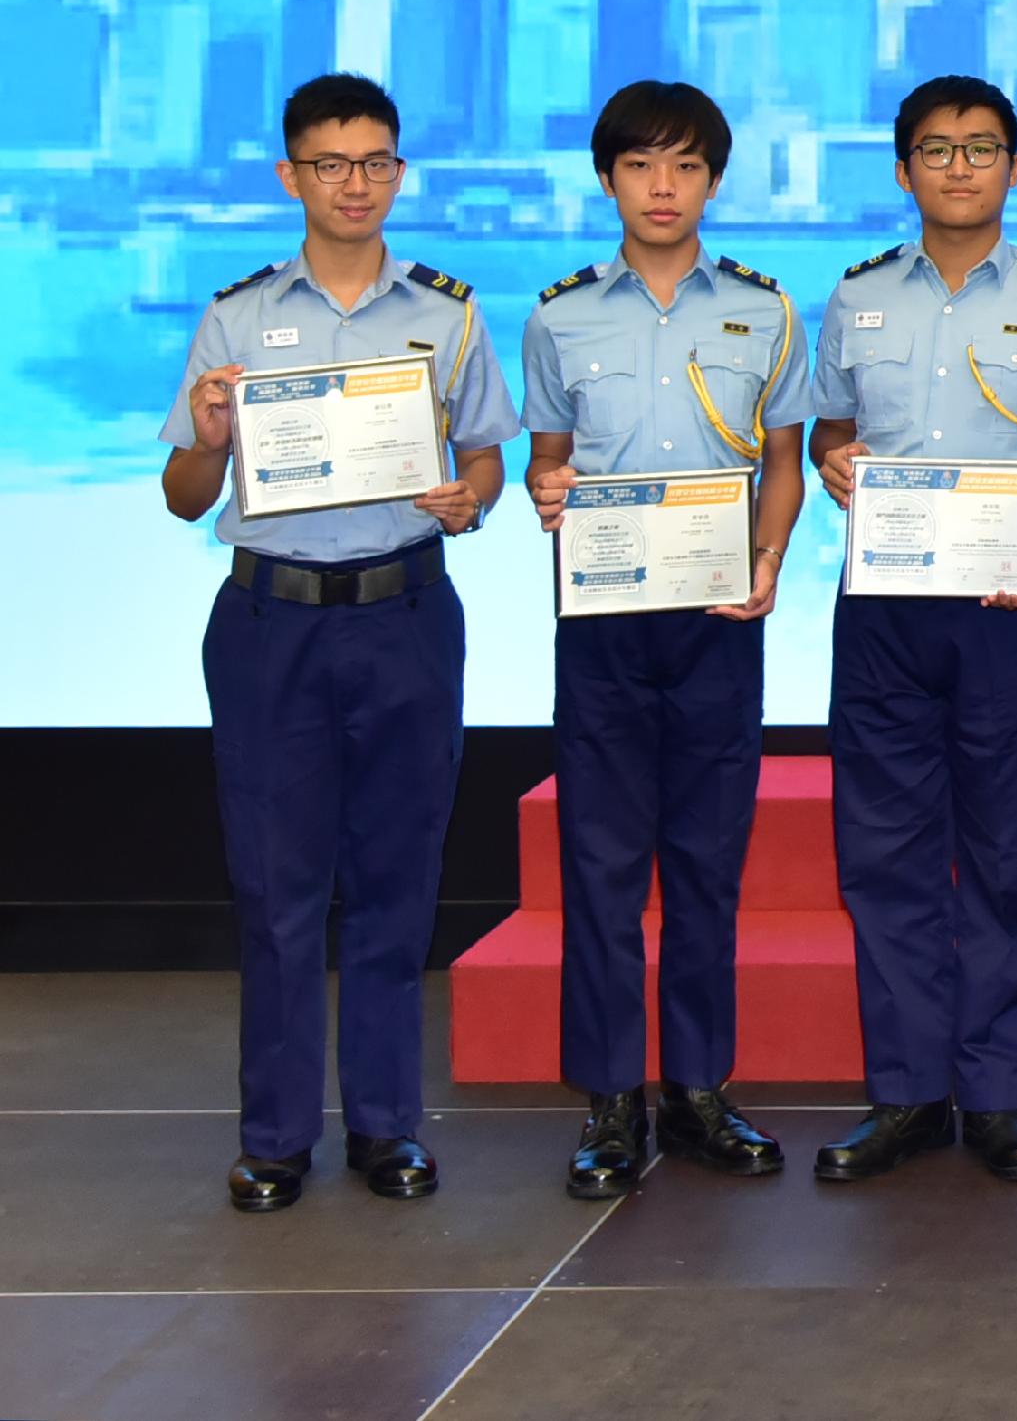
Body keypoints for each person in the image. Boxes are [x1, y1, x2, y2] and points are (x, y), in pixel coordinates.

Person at [164, 72, 515, 1213]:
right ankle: (273, 1136)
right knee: (272, 887)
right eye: (330, 163)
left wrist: (470, 495)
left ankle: (384, 1125)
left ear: (398, 173)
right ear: (292, 175)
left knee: (396, 881)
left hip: (406, 614)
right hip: (270, 624)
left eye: (374, 163)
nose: (353, 183)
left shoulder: (448, 312)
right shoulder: (236, 315)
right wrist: (211, 438)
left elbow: (487, 461)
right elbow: (181, 494)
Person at [804, 75, 1017, 1183]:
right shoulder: (854, 297)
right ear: (902, 170)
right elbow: (831, 429)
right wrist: (833, 463)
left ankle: (996, 1094)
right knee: (882, 856)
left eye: (981, 149)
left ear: (1014, 167)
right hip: (882, 610)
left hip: (1004, 609)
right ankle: (904, 1095)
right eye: (935, 150)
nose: (959, 167)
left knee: (1009, 851)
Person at [519, 80, 810, 1198]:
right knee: (598, 864)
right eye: (640, 165)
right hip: (601, 624)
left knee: (704, 863)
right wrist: (548, 489)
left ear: (713, 181)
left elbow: (781, 457)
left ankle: (696, 1088)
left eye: (685, 166)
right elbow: (550, 459)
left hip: (718, 618)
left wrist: (771, 555)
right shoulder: (558, 315)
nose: (662, 186)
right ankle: (607, 1099)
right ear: (608, 179)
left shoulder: (766, 311)